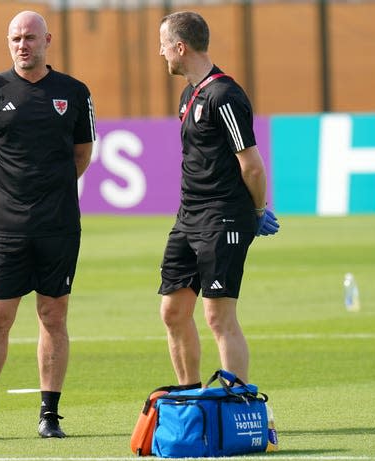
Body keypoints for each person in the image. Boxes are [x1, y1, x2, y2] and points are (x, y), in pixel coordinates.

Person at [0, 10, 96, 441]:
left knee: (53, 315)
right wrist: (1, 192)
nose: (22, 45)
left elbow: (81, 153)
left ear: (48, 39)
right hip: (6, 228)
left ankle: (49, 415)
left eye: (29, 37)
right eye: (15, 38)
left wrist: (52, 191)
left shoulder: (74, 92)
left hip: (59, 225)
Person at [157, 11, 279, 389]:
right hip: (188, 218)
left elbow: (252, 166)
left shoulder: (224, 95)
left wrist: (256, 212)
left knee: (217, 316)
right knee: (173, 311)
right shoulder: (187, 94)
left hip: (222, 217)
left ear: (180, 47)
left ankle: (237, 404)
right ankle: (190, 395)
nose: (161, 53)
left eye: (164, 45)